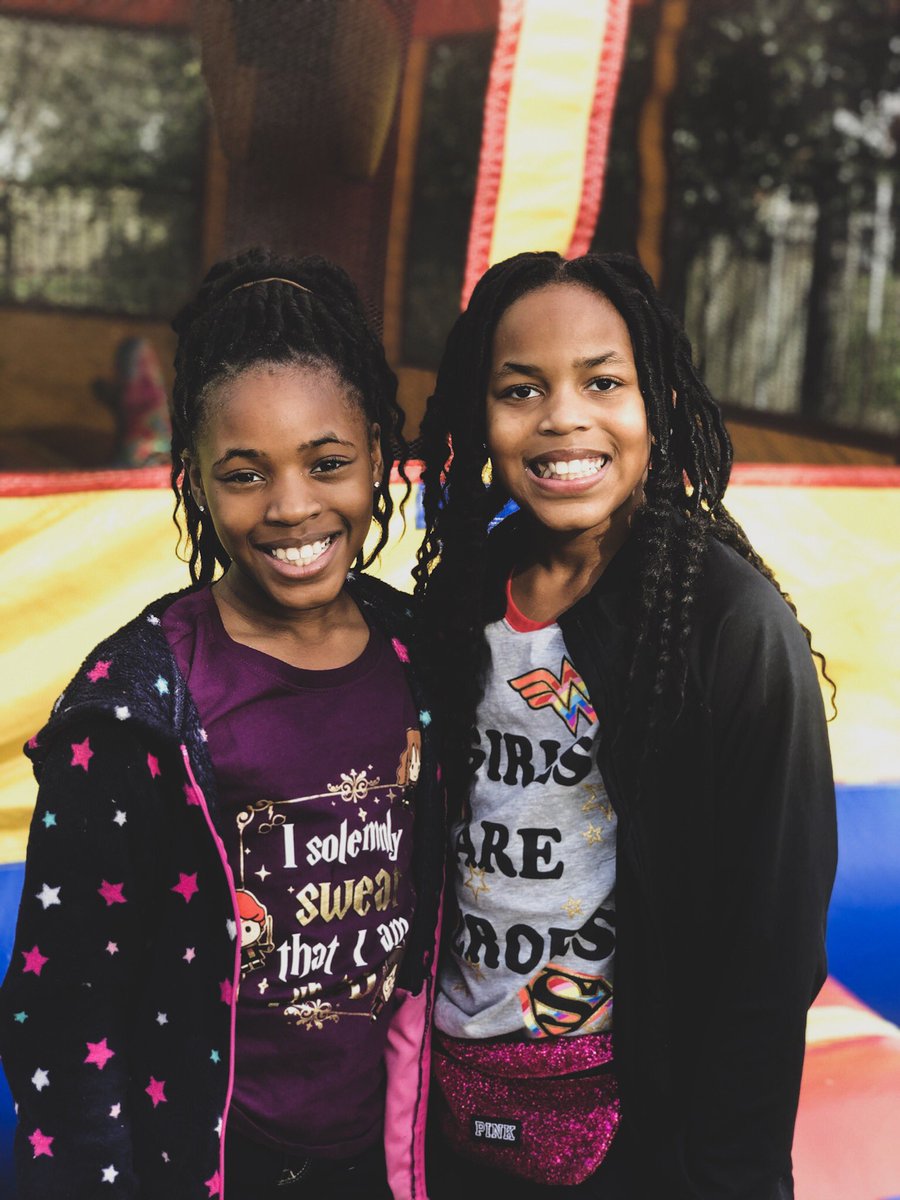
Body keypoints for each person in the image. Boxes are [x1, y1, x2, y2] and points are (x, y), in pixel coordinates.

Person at [0, 249, 445, 1200]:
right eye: (245, 474)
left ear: (377, 454)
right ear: (194, 479)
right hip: (202, 1166)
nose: (292, 507)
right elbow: (66, 1009)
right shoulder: (136, 707)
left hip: (383, 1158)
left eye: (328, 463)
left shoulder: (423, 657)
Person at [413, 250, 837, 1199]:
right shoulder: (462, 598)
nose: (563, 415)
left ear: (659, 405)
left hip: (635, 1132)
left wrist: (734, 1174)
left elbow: (771, 948)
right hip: (452, 1101)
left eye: (603, 382)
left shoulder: (728, 627)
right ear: (481, 417)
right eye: (522, 389)